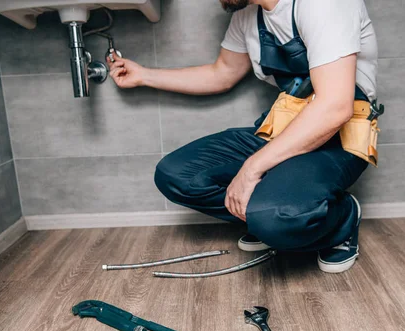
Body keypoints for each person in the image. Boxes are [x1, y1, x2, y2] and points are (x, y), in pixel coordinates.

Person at [107, 0, 378, 273]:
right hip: (285, 129)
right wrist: (144, 76)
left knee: (276, 220)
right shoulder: (249, 14)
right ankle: (266, 211)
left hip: (339, 140)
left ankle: (341, 218)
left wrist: (251, 169)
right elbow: (223, 72)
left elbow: (335, 108)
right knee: (177, 175)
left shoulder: (323, 4)